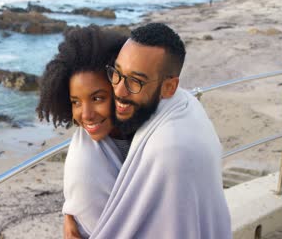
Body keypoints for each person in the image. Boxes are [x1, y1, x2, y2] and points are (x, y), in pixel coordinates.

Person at [88, 23, 232, 238]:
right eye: (116, 73)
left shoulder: (169, 151)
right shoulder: (186, 103)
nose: (118, 90)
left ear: (169, 87)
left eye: (135, 81)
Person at [36, 25, 128, 238]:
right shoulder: (85, 160)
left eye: (97, 98)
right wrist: (70, 212)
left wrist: (69, 213)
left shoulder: (148, 136)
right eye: (75, 102)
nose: (85, 114)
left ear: (119, 90)